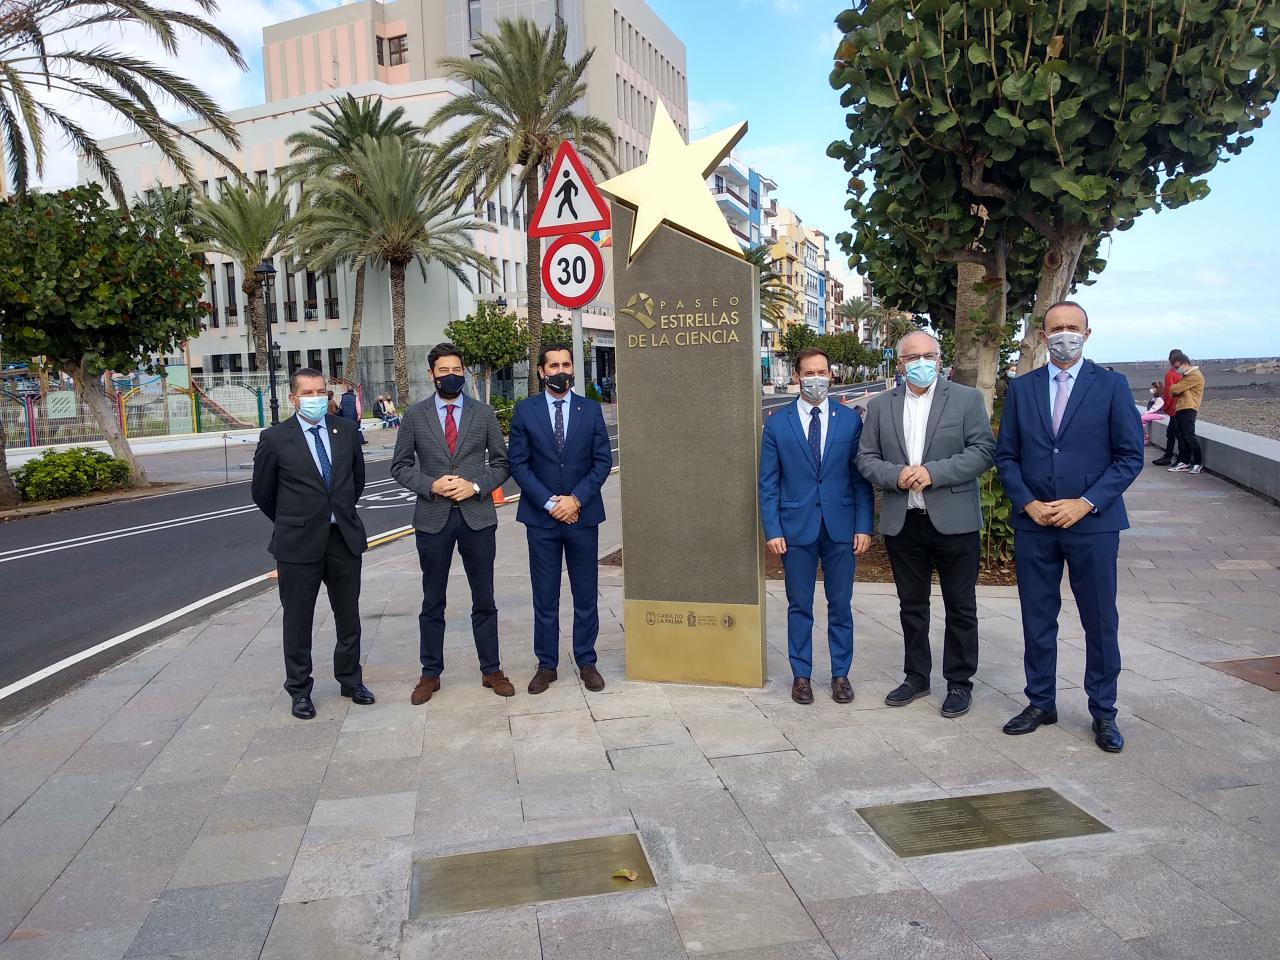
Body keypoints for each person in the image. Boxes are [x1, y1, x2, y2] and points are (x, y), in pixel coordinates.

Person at [995, 302, 1144, 753]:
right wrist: (1029, 503)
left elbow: (1129, 457)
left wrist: (1085, 503)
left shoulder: (1113, 386)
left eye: (1072, 328)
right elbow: (1007, 457)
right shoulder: (1022, 389)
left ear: (1088, 333)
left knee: (1100, 621)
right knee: (1037, 619)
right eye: (1055, 328)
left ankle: (1103, 712)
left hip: (1092, 525)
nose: (1064, 335)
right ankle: (1041, 701)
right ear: (1042, 336)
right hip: (1035, 525)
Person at [856, 332, 995, 719]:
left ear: (939, 359)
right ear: (900, 364)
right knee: (911, 606)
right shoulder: (881, 405)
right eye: (912, 356)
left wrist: (933, 472)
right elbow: (865, 457)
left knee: (961, 607)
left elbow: (983, 451)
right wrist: (897, 475)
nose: (921, 362)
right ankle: (917, 676)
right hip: (905, 523)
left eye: (928, 355)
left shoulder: (966, 400)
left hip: (954, 521)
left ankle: (959, 682)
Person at [391, 343, 513, 704]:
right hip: (432, 519)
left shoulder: (484, 413)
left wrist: (475, 486)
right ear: (431, 374)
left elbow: (502, 464)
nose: (451, 376)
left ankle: (491, 669)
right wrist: (430, 485)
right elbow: (400, 466)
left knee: (485, 598)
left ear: (465, 371)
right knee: (433, 600)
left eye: (457, 369)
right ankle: (430, 674)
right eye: (443, 371)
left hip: (477, 518)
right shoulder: (415, 416)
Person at [251, 367, 375, 720]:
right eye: (308, 393)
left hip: (343, 539)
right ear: (293, 399)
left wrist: (335, 512)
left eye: (321, 391)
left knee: (348, 616)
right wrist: (296, 520)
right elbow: (263, 492)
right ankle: (300, 690)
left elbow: (356, 481)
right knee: (298, 619)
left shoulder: (346, 432)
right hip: (297, 544)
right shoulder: (275, 438)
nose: (317, 398)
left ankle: (351, 680)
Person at [759, 347, 875, 705]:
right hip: (796, 529)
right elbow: (769, 482)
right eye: (809, 373)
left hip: (841, 527)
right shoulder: (777, 423)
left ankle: (841, 674)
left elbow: (861, 478)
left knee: (840, 604)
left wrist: (864, 525)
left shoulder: (849, 420)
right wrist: (773, 529)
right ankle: (802, 676)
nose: (816, 379)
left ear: (831, 375)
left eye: (822, 372)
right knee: (800, 605)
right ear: (796, 377)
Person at [507, 343, 614, 695]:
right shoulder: (525, 411)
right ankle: (547, 665)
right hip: (542, 520)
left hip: (582, 517)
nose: (560, 370)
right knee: (545, 596)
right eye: (553, 365)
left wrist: (576, 500)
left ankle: (587, 661)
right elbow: (518, 464)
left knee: (585, 594)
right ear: (541, 372)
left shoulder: (590, 410)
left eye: (566, 364)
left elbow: (602, 462)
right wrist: (551, 502)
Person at [1166, 350, 1205, 474]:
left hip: (1189, 408)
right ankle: (1185, 461)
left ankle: (1198, 463)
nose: (1177, 369)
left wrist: (1176, 389)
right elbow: (1173, 391)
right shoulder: (1186, 375)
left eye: (1177, 367)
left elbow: (1174, 389)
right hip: (1181, 407)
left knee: (1189, 436)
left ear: (1185, 363)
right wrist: (1176, 389)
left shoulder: (1194, 375)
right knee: (1182, 437)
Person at [1150, 352, 1184, 466]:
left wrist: (1167, 408)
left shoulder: (1171, 374)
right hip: (1184, 408)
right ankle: (1178, 457)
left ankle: (1173, 457)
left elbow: (1169, 393)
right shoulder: (1185, 373)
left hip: (1175, 410)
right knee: (1178, 434)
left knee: (1173, 434)